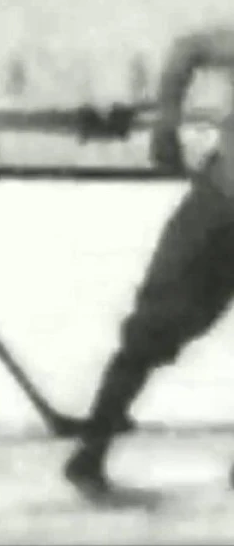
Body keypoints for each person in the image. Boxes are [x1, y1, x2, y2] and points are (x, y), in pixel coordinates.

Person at [64, 26, 234, 498]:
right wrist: (166, 124)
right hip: (221, 205)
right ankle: (90, 451)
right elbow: (188, 49)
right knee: (153, 326)